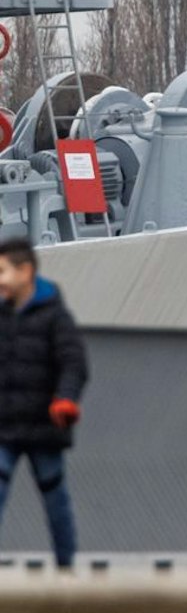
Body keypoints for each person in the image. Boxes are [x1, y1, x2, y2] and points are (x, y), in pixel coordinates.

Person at [0, 237, 86, 571]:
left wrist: (66, 399)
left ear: (26, 271)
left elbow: (74, 363)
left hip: (43, 427)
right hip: (5, 426)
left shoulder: (55, 318)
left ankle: (66, 567)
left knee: (55, 499)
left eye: (3, 271)